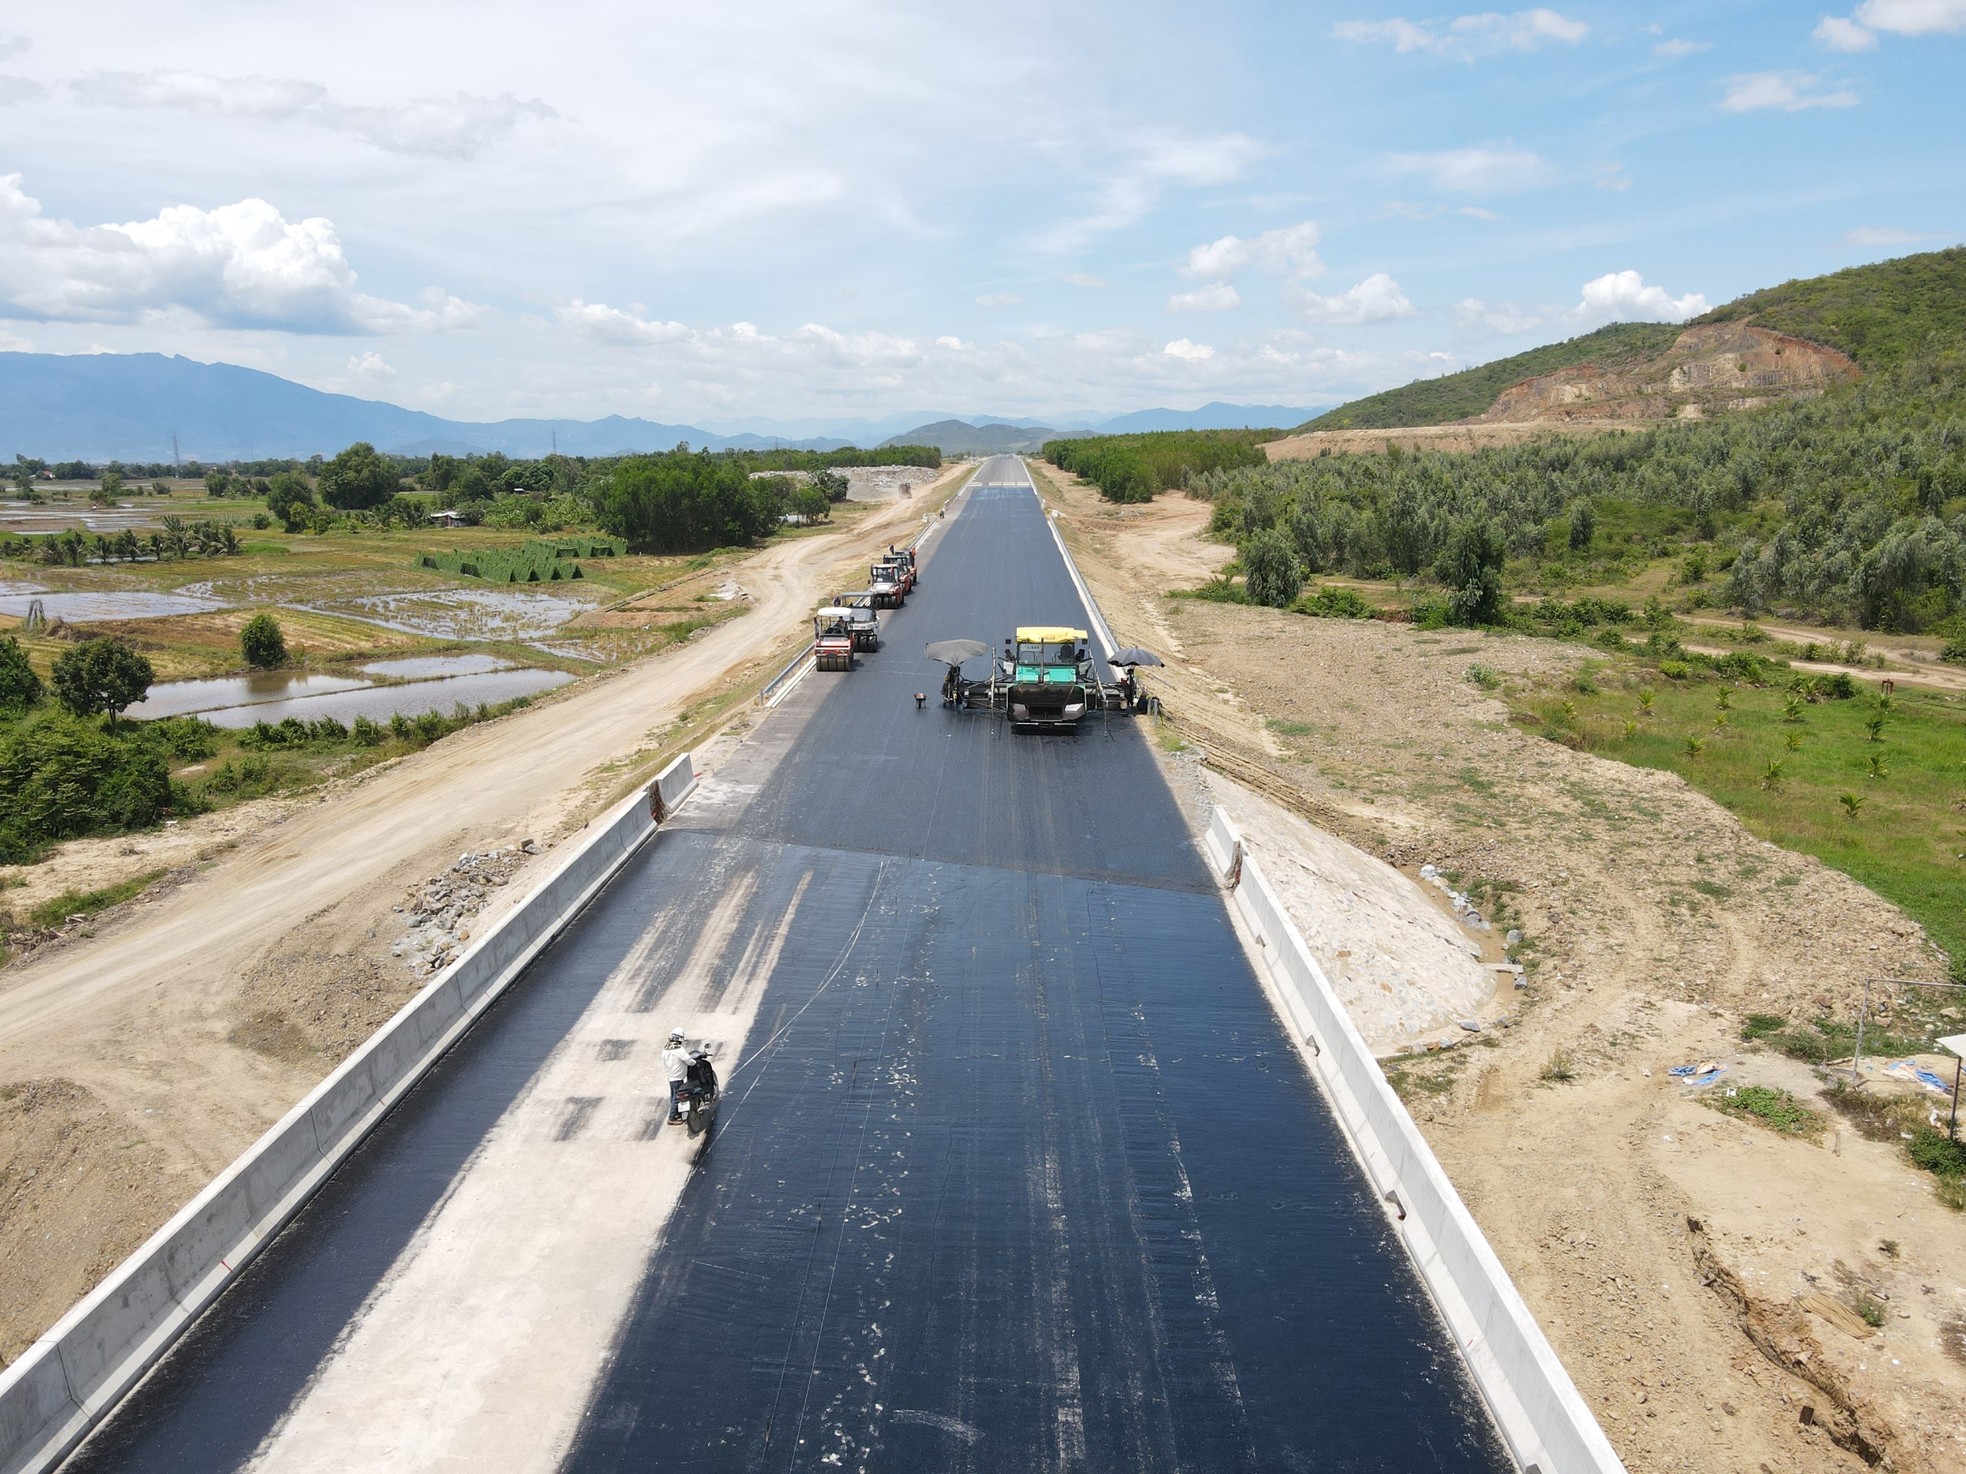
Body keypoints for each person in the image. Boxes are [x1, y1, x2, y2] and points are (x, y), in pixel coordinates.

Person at [662, 1029, 692, 1123]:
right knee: (677, 1097)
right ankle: (671, 1118)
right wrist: (694, 1063)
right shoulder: (679, 1049)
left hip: (670, 1077)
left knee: (673, 1096)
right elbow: (688, 1060)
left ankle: (676, 1113)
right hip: (678, 1077)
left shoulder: (666, 1049)